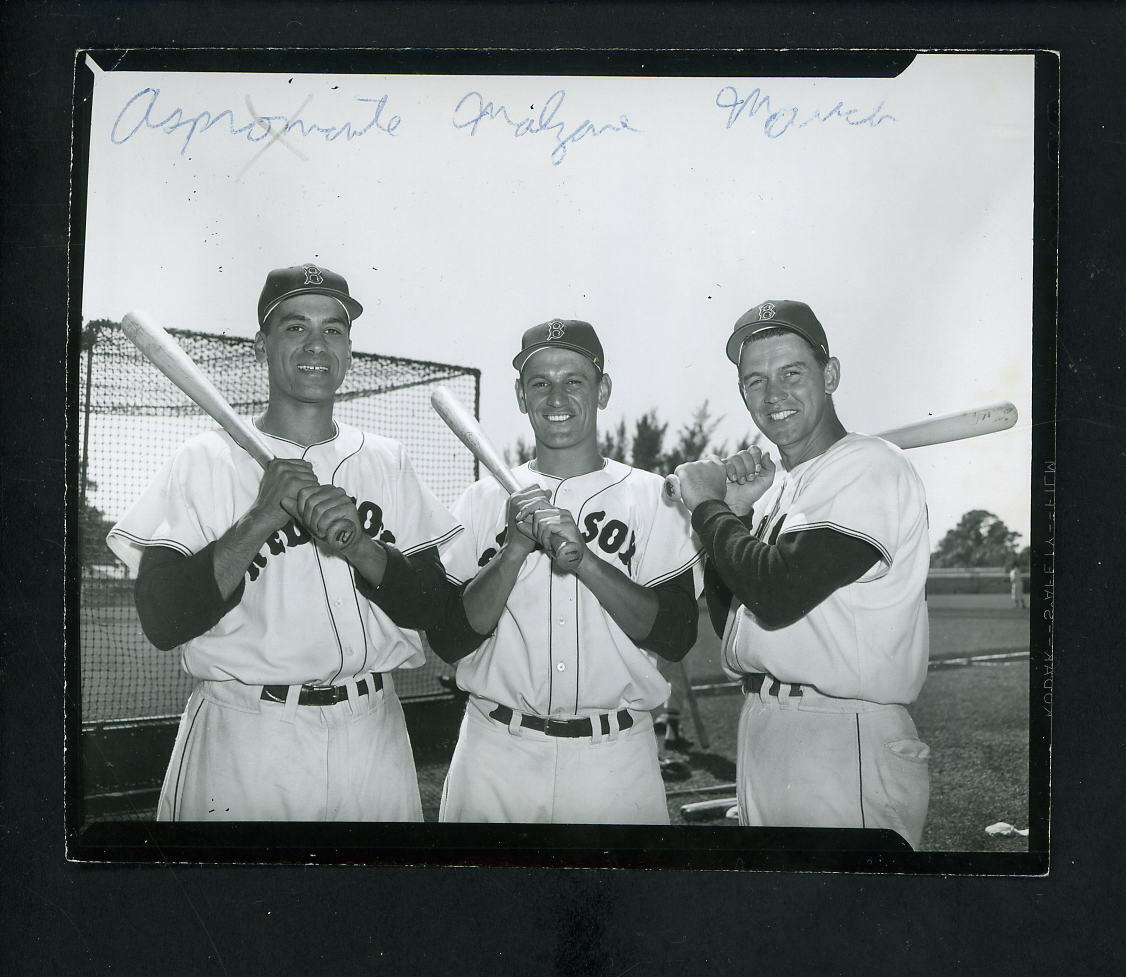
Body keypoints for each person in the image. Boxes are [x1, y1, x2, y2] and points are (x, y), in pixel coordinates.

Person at [107, 263, 462, 821]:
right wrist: (260, 517)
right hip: (247, 737)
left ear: (349, 351)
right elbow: (163, 618)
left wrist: (362, 548)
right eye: (295, 327)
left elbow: (437, 611)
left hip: (374, 733)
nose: (316, 344)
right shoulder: (205, 460)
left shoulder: (387, 461)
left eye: (334, 329)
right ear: (261, 345)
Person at [673, 300, 931, 848]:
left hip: (843, 737)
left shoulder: (870, 465)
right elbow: (739, 624)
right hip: (767, 723)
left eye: (793, 372)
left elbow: (779, 591)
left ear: (830, 374)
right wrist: (737, 514)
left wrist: (705, 505)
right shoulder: (786, 489)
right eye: (755, 381)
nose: (774, 395)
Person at [427, 319, 702, 824]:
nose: (557, 396)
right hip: (496, 755)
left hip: (614, 759)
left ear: (603, 390)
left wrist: (588, 563)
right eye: (540, 383)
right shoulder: (483, 501)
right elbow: (448, 639)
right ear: (520, 395)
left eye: (574, 380)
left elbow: (675, 636)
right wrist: (512, 550)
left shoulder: (651, 498)